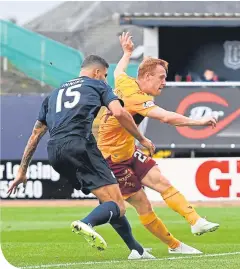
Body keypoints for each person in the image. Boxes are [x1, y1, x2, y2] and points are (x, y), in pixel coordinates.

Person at [7, 55, 155, 260]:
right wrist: (142, 138)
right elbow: (120, 113)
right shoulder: (98, 86)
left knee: (109, 201)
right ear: (96, 73)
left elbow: (35, 135)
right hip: (80, 145)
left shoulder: (53, 94)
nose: (105, 80)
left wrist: (22, 171)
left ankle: (136, 251)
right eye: (104, 76)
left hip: (55, 152)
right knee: (118, 206)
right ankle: (87, 223)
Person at [95, 32, 220, 254]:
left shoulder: (125, 81)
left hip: (129, 151)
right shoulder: (137, 98)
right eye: (161, 77)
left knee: (161, 182)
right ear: (147, 77)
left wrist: (127, 53)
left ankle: (195, 221)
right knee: (143, 204)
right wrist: (199, 121)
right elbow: (167, 117)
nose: (164, 82)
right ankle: (175, 246)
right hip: (112, 160)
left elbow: (118, 71)